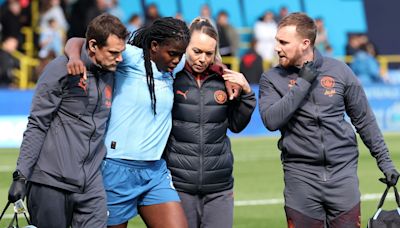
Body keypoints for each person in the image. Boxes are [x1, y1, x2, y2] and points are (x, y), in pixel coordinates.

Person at [258, 12, 399, 227]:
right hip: (301, 180)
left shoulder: (340, 71)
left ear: (305, 43)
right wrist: (303, 83)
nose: (277, 47)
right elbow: (271, 120)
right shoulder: (271, 78)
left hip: (343, 178)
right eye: (277, 40)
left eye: (283, 42)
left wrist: (386, 163)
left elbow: (364, 121)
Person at [65, 17, 191, 228]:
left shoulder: (173, 67)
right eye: (173, 54)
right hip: (116, 168)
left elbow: (202, 60)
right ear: (154, 46)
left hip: (155, 171)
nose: (178, 60)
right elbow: (78, 40)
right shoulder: (132, 56)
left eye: (181, 54)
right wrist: (74, 58)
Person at [7, 13, 129, 228]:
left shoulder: (113, 68)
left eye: (121, 52)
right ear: (93, 46)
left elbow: (77, 42)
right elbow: (37, 123)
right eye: (113, 52)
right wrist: (21, 176)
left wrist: (75, 52)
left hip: (91, 184)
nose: (119, 58)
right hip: (50, 182)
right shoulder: (59, 69)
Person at [164, 17, 256, 228]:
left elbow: (236, 125)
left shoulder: (224, 80)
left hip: (219, 186)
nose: (202, 59)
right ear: (185, 46)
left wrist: (247, 94)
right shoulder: (168, 79)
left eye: (208, 53)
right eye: (197, 51)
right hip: (179, 185)